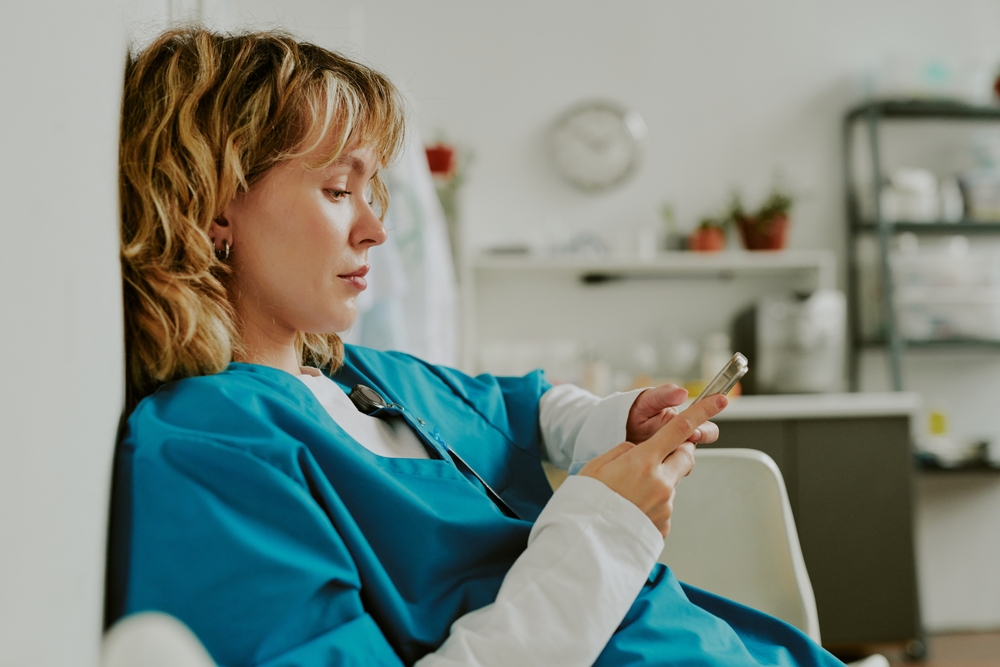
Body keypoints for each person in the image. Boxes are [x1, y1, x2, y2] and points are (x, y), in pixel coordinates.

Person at [107, 28, 845, 667]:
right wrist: (600, 529)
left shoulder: (354, 377)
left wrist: (614, 425)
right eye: (338, 190)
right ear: (211, 210)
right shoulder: (211, 447)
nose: (375, 231)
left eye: (374, 196)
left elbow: (514, 408)